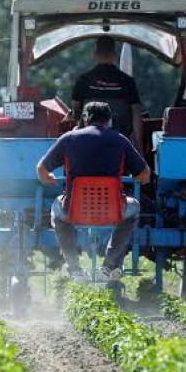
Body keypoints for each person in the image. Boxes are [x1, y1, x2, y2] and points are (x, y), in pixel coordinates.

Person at [37, 101, 150, 281]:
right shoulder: (120, 140)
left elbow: (41, 169)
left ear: (85, 119)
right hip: (113, 212)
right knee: (134, 208)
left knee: (57, 212)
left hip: (74, 212)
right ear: (109, 121)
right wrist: (136, 177)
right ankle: (108, 265)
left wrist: (47, 178)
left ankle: (74, 268)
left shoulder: (68, 138)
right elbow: (144, 175)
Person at [71, 36, 144, 154]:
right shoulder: (127, 81)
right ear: (114, 55)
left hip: (88, 140)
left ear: (94, 54)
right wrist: (138, 146)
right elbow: (136, 112)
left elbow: (76, 112)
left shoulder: (83, 80)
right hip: (121, 139)